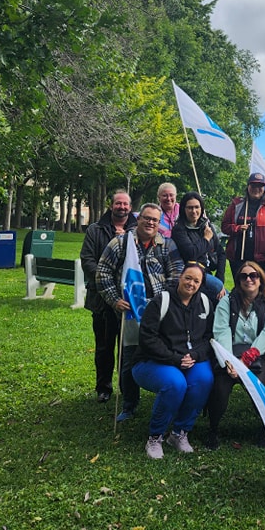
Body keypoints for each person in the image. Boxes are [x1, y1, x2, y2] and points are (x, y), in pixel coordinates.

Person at [96, 202, 184, 423]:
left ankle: (170, 394)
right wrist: (115, 299)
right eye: (147, 218)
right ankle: (129, 404)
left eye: (155, 220)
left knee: (165, 353)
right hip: (132, 311)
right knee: (129, 359)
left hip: (160, 312)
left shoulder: (167, 244)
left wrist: (165, 302)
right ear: (139, 219)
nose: (151, 223)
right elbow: (103, 272)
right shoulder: (121, 243)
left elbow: (176, 274)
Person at [131, 263, 214, 457]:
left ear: (201, 284)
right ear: (180, 277)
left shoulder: (205, 302)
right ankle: (155, 436)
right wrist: (175, 358)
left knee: (204, 380)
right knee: (175, 383)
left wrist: (194, 355)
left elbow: (209, 337)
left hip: (190, 359)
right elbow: (147, 338)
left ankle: (179, 433)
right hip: (153, 361)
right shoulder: (162, 301)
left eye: (196, 281)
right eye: (188, 278)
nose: (191, 283)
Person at [206, 262, 265, 450]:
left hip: (258, 355)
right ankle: (213, 429)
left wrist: (245, 361)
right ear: (238, 280)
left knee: (260, 389)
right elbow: (221, 330)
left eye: (253, 275)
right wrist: (228, 362)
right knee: (220, 388)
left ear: (261, 279)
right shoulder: (226, 301)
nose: (249, 279)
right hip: (229, 354)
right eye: (244, 276)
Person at [80, 190, 137, 403]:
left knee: (127, 347)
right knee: (104, 347)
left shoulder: (136, 230)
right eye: (118, 204)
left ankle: (126, 388)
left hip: (127, 300)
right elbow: (87, 260)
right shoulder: (96, 230)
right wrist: (108, 284)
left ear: (130, 208)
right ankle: (103, 387)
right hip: (102, 300)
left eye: (125, 204)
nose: (122, 207)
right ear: (111, 205)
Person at [221, 172, 265, 278]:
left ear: (264, 188)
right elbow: (224, 227)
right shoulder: (236, 204)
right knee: (240, 289)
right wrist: (237, 228)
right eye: (253, 185)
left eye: (260, 186)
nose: (256, 189)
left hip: (263, 259)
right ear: (248, 186)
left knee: (263, 290)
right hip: (239, 257)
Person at [171, 191, 226, 297]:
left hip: (208, 273)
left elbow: (221, 252)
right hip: (190, 274)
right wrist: (205, 239)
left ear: (202, 209)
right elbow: (191, 254)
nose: (194, 211)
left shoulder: (206, 226)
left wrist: (220, 279)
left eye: (197, 207)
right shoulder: (179, 230)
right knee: (219, 294)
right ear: (184, 209)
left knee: (226, 298)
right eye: (190, 208)